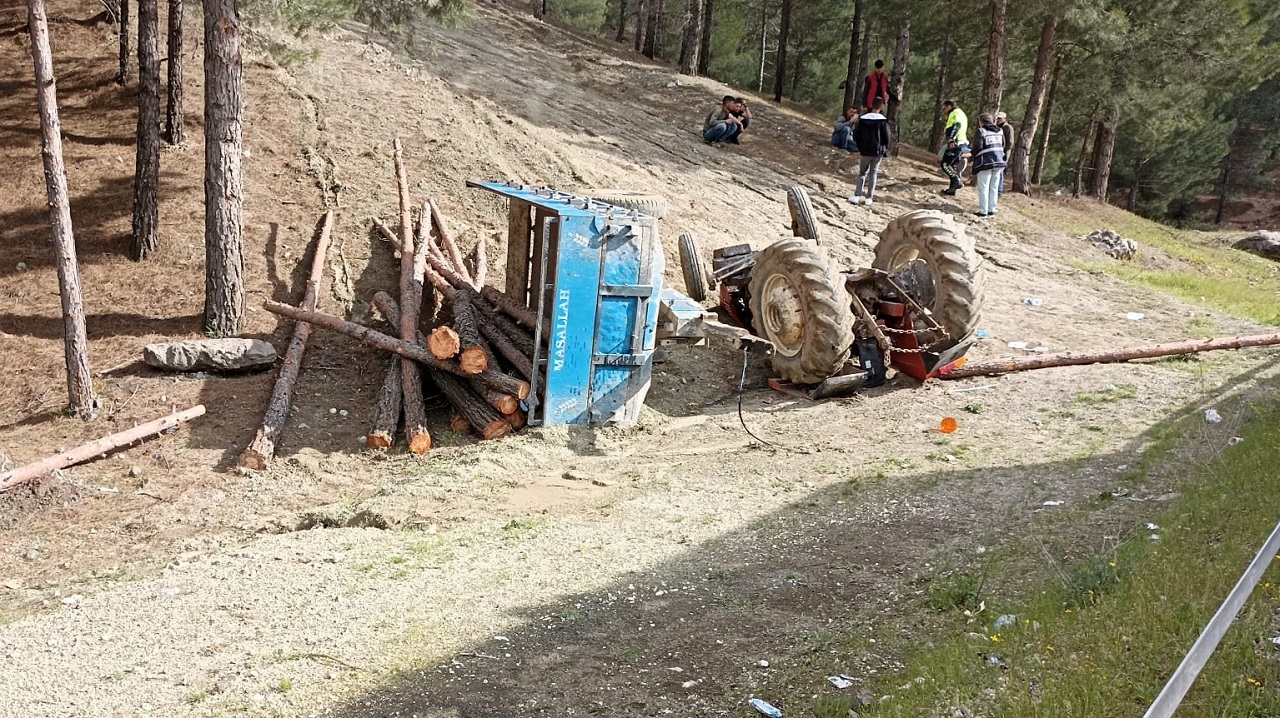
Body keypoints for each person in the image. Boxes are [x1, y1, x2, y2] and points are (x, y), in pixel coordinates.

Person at [849, 97, 891, 206]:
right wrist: (884, 148)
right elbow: (887, 137)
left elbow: (856, 134)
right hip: (877, 152)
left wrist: (860, 146)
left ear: (872, 104)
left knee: (862, 173)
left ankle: (857, 195)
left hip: (865, 151)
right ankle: (869, 198)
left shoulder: (863, 119)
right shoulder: (883, 121)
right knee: (873, 173)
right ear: (881, 106)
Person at [971, 113, 1007, 217]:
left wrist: (972, 154)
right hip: (999, 161)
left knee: (984, 187)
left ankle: (983, 211)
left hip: (986, 162)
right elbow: (1003, 145)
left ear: (981, 122)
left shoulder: (981, 131)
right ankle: (992, 210)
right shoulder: (1000, 131)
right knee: (994, 187)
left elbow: (978, 146)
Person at [939, 100, 969, 195]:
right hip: (960, 142)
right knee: (952, 166)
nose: (944, 110)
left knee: (945, 165)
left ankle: (957, 181)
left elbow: (957, 125)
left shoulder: (955, 113)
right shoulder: (961, 113)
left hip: (956, 142)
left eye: (945, 107)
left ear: (949, 106)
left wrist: (951, 138)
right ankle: (952, 190)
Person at [995, 111, 1014, 195]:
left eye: (1000, 118)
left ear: (1004, 119)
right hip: (996, 152)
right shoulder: (997, 127)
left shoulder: (1008, 128)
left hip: (1003, 153)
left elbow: (1010, 142)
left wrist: (1004, 152)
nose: (998, 120)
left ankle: (999, 191)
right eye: (997, 118)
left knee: (1000, 172)